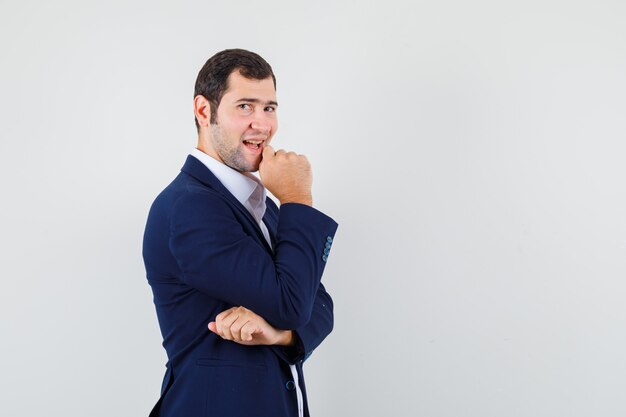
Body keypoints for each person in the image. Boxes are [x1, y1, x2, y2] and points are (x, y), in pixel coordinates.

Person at [142, 48, 338, 417]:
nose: (262, 125)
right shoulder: (191, 207)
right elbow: (294, 304)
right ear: (204, 111)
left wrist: (281, 335)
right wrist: (298, 197)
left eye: (270, 108)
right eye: (245, 106)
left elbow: (321, 306)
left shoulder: (263, 205)